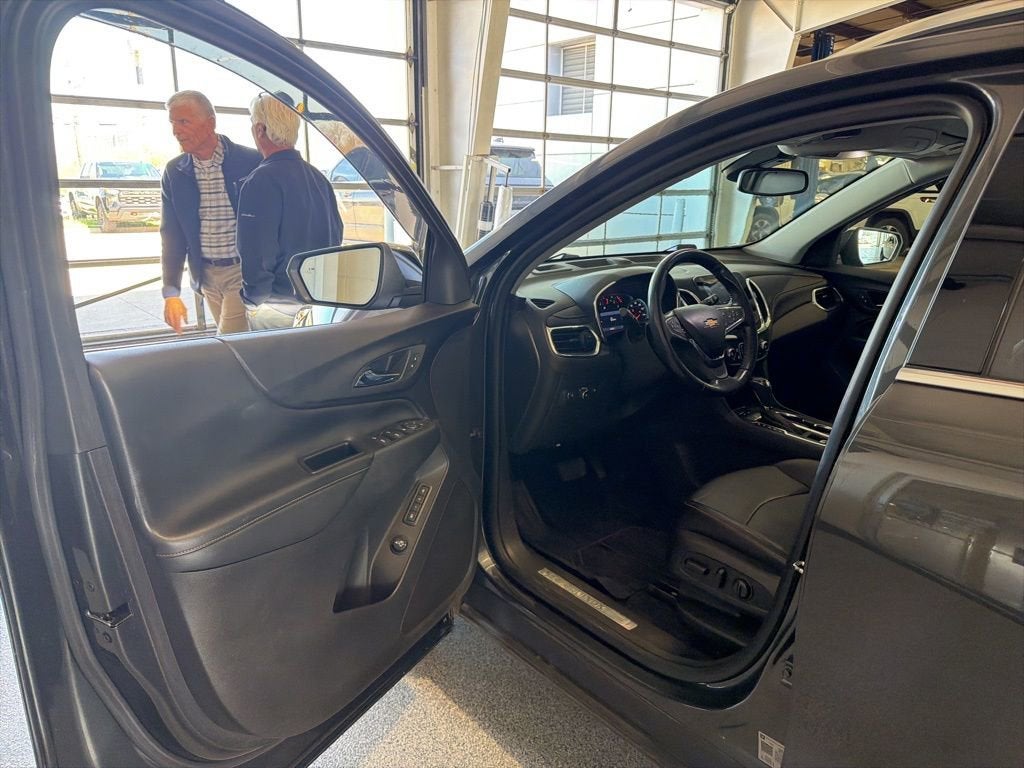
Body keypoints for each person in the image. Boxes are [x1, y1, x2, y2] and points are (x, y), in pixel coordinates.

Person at [237, 92, 342, 330]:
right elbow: (336, 235)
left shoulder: (260, 181)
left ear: (260, 130)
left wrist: (253, 300)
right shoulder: (319, 178)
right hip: (318, 301)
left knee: (270, 356)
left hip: (278, 305)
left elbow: (256, 252)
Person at [160, 90, 262, 334]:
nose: (176, 131)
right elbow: (172, 235)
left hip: (242, 273)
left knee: (227, 341)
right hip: (206, 277)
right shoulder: (175, 172)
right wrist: (171, 292)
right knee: (240, 344)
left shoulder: (250, 162)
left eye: (184, 121)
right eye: (173, 123)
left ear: (210, 123)